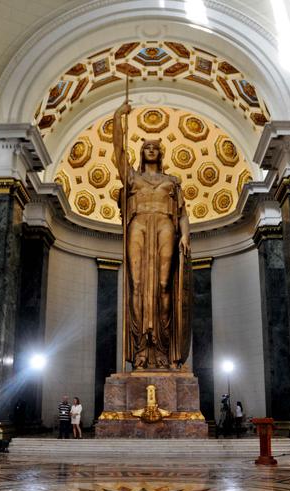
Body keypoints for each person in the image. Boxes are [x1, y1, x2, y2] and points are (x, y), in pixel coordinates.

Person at [113, 101, 192, 370]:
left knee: (163, 285)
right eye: (146, 147)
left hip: (165, 226)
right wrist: (117, 118)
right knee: (137, 284)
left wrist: (186, 236)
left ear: (160, 153)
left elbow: (182, 213)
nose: (150, 150)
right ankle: (141, 348)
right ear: (141, 151)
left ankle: (161, 345)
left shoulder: (172, 181)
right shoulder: (132, 178)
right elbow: (117, 151)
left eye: (154, 147)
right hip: (138, 225)